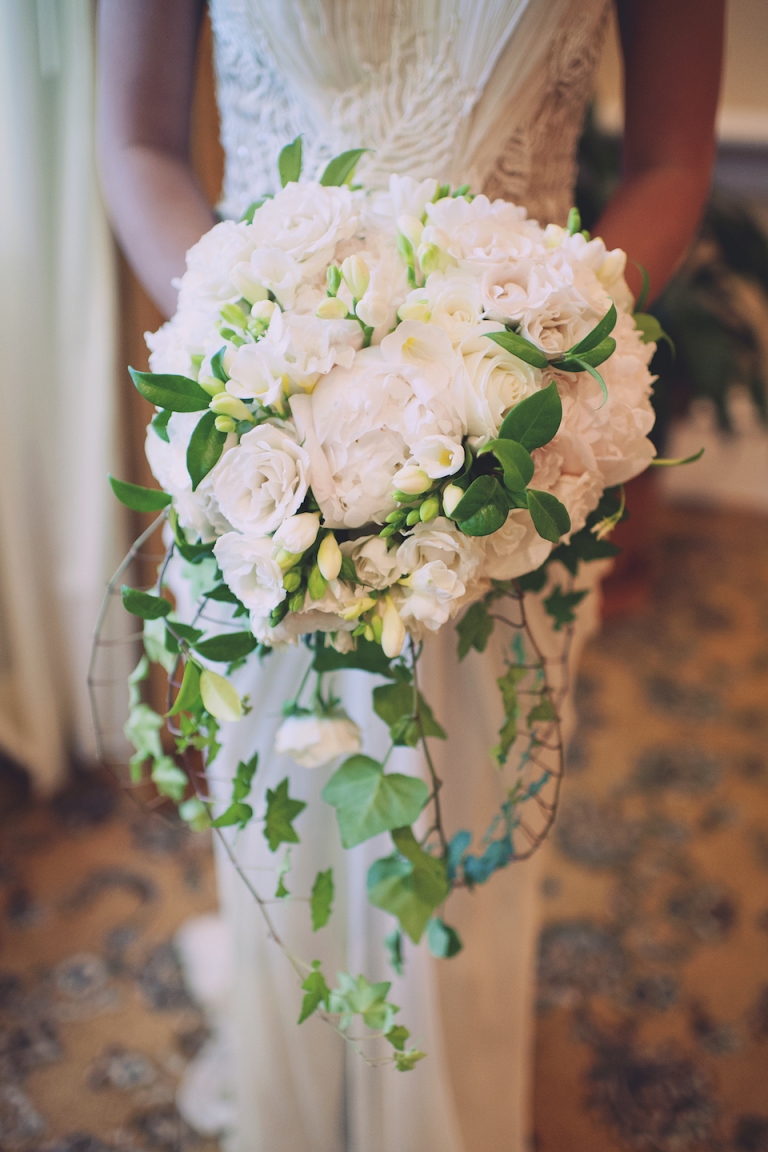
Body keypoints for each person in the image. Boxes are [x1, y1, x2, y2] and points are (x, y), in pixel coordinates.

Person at [96, 3, 724, 1150]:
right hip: (259, 432)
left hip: (512, 436)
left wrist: (554, 358)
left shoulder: (524, 421)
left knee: (468, 810)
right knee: (282, 807)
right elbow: (138, 139)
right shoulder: (252, 401)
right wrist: (241, 351)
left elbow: (676, 157)